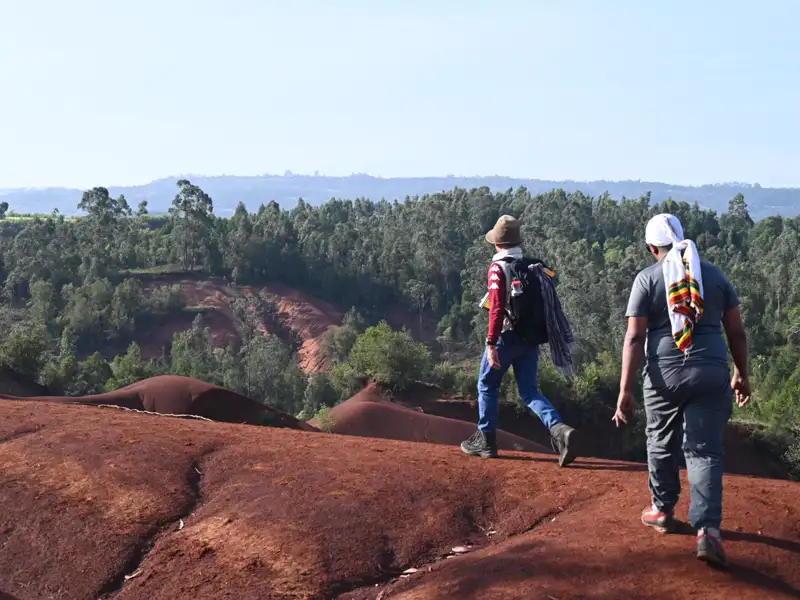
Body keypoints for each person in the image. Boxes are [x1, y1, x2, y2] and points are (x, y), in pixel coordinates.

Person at [614, 213, 751, 568]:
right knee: (704, 451)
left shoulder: (647, 279)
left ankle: (662, 509)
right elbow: (736, 332)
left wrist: (625, 390)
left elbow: (634, 337)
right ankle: (708, 532)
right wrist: (741, 373)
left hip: (664, 376)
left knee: (660, 440)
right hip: (710, 372)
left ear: (651, 247)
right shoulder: (715, 275)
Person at [460, 215, 578, 466]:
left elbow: (496, 310)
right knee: (529, 390)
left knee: (487, 385)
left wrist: (491, 344)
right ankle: (559, 430)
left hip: (506, 337)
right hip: (530, 337)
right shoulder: (531, 266)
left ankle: (487, 440)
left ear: (497, 243)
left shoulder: (498, 267)